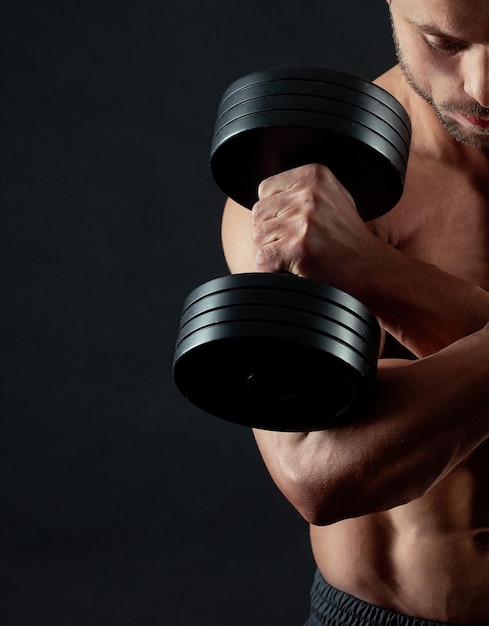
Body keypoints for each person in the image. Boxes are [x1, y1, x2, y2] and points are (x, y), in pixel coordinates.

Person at [221, 0, 489, 624]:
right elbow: (320, 472)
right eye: (444, 42)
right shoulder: (314, 191)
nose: (482, 86)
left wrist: (377, 274)